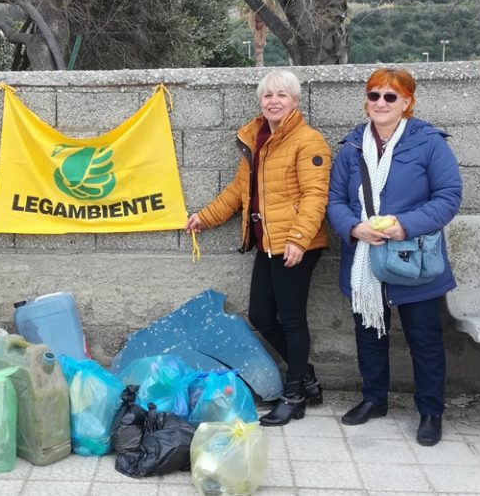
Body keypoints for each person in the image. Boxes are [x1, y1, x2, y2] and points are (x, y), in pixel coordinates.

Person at [185, 70, 331, 426]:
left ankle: (294, 394)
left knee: (292, 320)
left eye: (282, 95)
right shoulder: (257, 140)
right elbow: (238, 191)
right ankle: (307, 378)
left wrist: (298, 239)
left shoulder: (308, 141)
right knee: (262, 316)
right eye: (268, 96)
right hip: (267, 243)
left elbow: (315, 196)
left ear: (295, 102)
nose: (274, 101)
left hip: (297, 244)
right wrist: (204, 217)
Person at [327, 68, 462, 446]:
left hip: (414, 258)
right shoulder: (352, 146)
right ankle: (375, 399)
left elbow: (449, 195)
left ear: (407, 102)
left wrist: (405, 225)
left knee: (424, 338)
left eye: (391, 96)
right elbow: (335, 201)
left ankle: (431, 411)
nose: (381, 103)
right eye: (374, 95)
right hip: (364, 260)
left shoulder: (429, 143)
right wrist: (354, 228)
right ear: (366, 101)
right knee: (369, 333)